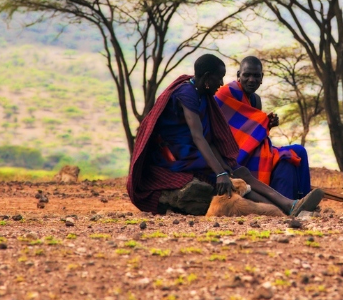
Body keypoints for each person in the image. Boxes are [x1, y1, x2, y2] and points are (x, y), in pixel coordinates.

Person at [127, 53, 324, 216]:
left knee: (240, 171)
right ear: (206, 77)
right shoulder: (186, 94)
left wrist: (225, 165)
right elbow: (197, 136)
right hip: (177, 156)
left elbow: (210, 137)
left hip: (193, 151)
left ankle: (290, 204)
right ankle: (286, 208)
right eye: (218, 78)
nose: (222, 83)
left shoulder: (203, 94)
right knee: (234, 178)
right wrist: (220, 172)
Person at [214, 56, 312, 200]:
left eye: (256, 76)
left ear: (262, 78)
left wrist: (267, 124)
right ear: (238, 76)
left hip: (253, 149)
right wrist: (261, 123)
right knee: (286, 157)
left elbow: (253, 131)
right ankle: (294, 201)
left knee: (300, 151)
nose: (251, 80)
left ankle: (304, 198)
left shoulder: (255, 100)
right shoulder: (225, 94)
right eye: (247, 75)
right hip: (234, 155)